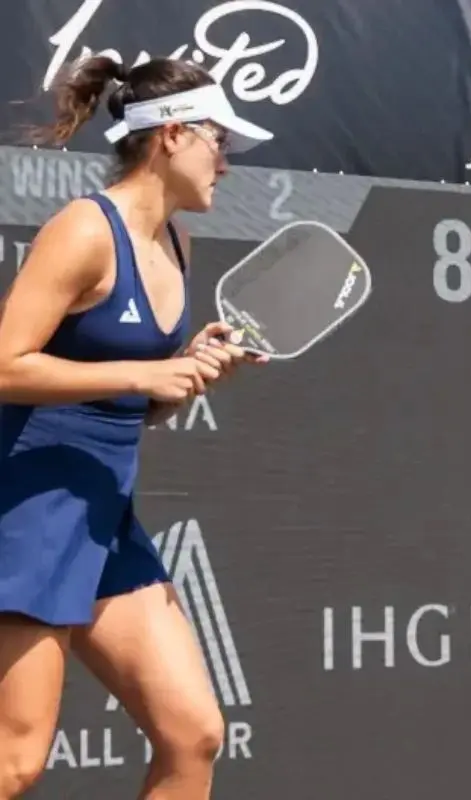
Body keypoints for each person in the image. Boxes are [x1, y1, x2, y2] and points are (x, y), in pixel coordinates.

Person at [0, 54, 273, 798]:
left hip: (102, 517)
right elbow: (6, 366)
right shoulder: (85, 230)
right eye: (220, 141)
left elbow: (128, 402)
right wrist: (141, 372)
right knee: (15, 760)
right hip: (26, 512)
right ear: (171, 135)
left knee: (193, 735)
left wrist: (184, 373)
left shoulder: (176, 244)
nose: (227, 161)